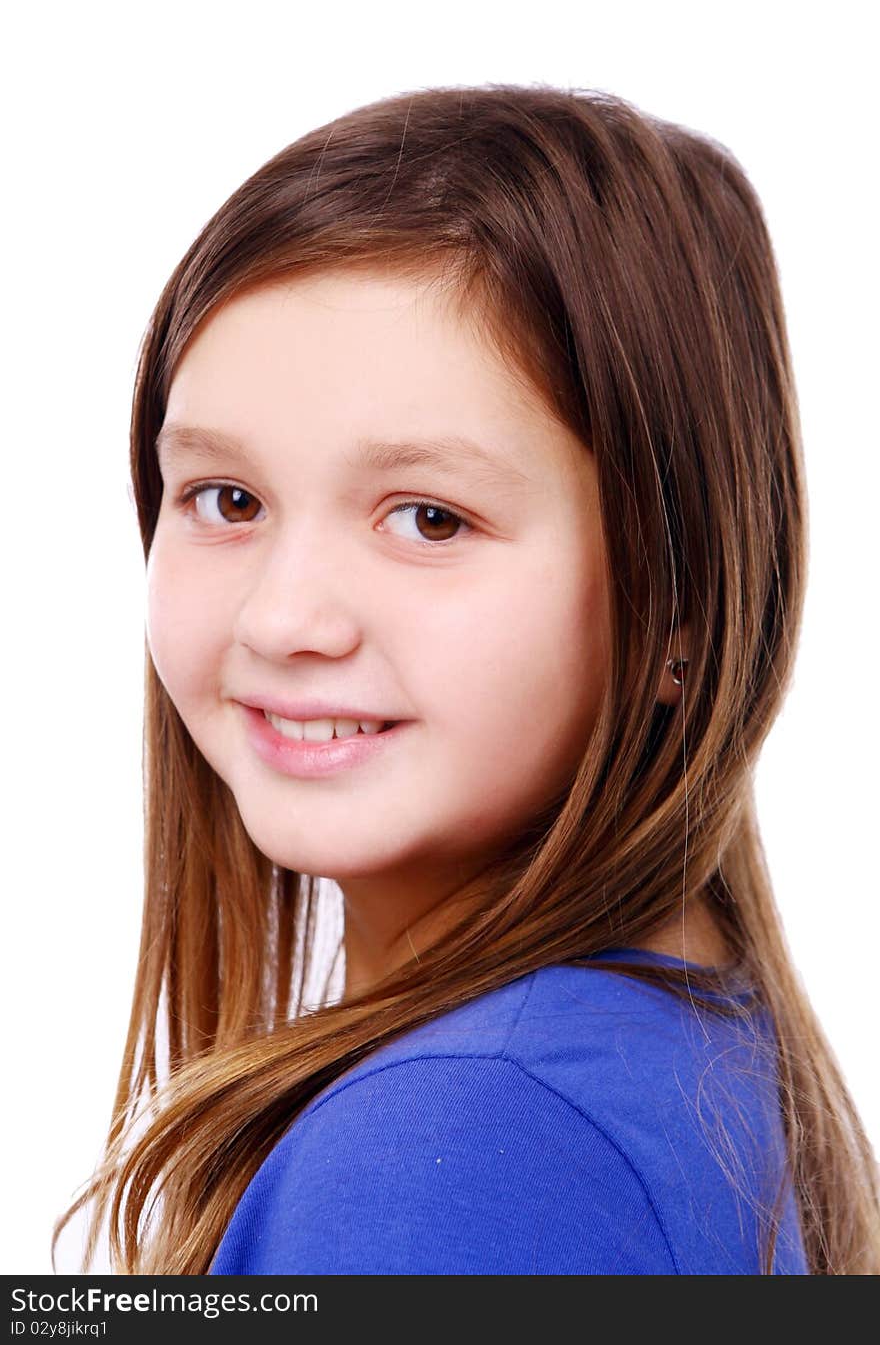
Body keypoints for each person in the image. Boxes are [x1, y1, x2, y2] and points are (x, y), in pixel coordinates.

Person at [53, 83, 880, 1275]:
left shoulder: (460, 1140)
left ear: (680, 610)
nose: (284, 617)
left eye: (429, 518)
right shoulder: (666, 1050)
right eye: (225, 500)